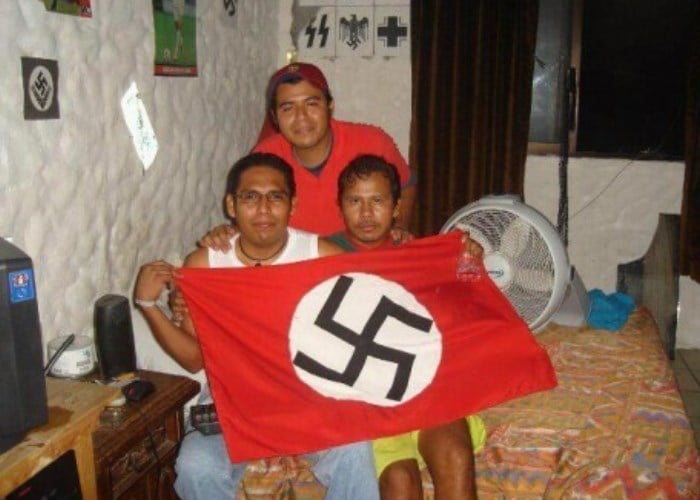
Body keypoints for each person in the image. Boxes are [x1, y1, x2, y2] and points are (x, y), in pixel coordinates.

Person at [134, 152, 380, 499]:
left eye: (275, 197)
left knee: (355, 450)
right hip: (235, 406)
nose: (263, 209)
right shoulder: (206, 264)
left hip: (308, 400)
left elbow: (374, 318)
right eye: (250, 197)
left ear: (293, 205)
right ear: (231, 205)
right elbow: (193, 359)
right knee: (195, 466)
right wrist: (148, 306)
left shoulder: (323, 257)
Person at [331, 155, 485, 499]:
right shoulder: (323, 256)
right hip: (368, 399)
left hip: (424, 388)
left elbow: (464, 307)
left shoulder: (417, 254)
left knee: (456, 457)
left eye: (377, 201)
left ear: (397, 207)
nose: (366, 213)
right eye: (355, 201)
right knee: (400, 482)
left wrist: (470, 262)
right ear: (340, 206)